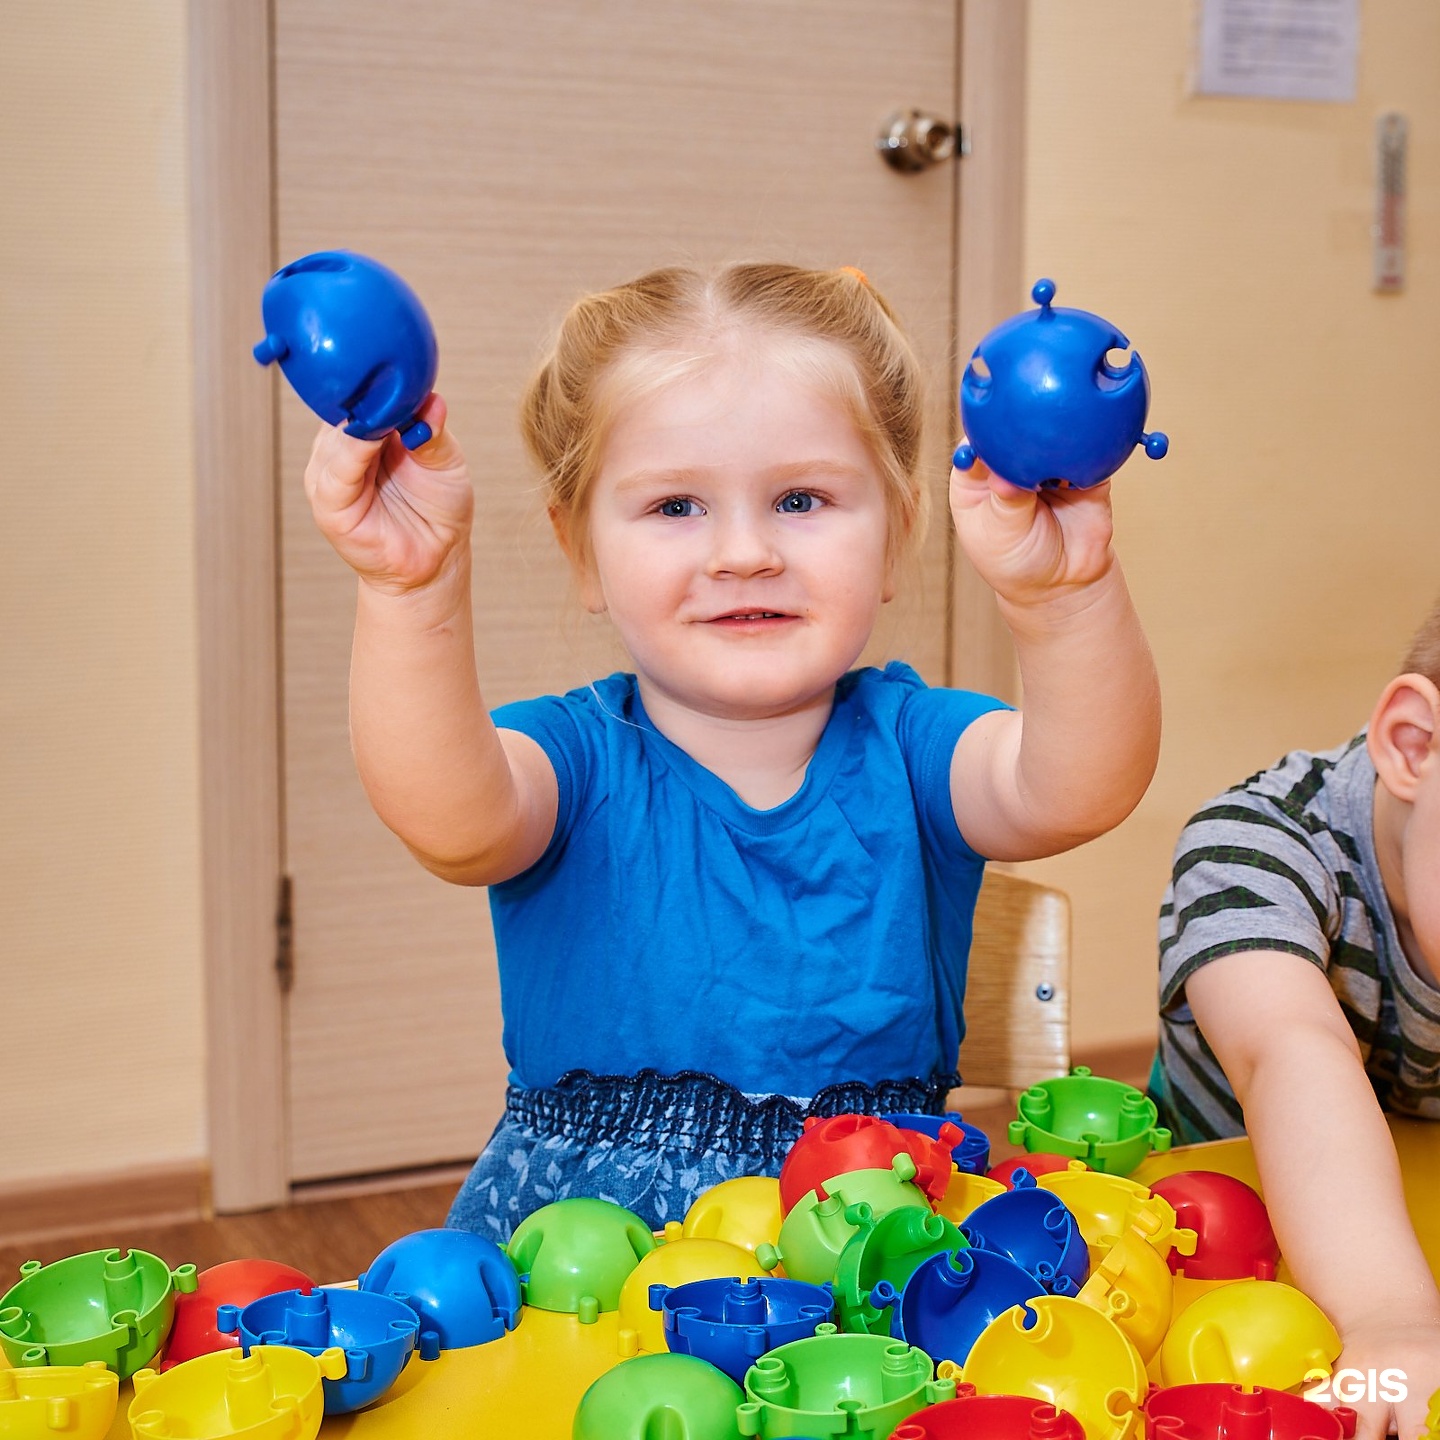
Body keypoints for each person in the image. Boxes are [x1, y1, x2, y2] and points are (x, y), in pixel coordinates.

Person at [302, 262, 1160, 1241]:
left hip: (871, 1260)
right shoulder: (573, 761)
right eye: (676, 507)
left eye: (800, 500)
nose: (744, 552)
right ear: (581, 549)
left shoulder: (918, 748)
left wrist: (1064, 597)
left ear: (897, 534)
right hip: (592, 1282)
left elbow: (1083, 787)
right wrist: (410, 591)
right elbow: (449, 823)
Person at [1151, 598, 1440, 1440]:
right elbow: (1292, 1055)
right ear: (1415, 744)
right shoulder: (1261, 845)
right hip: (1239, 1248)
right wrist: (1393, 1321)